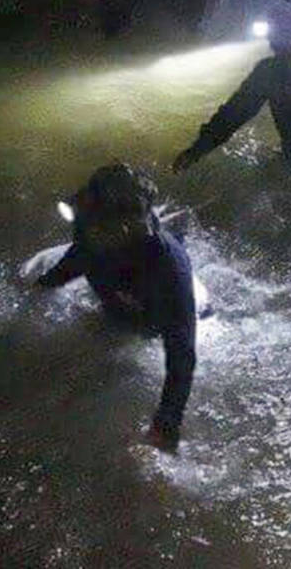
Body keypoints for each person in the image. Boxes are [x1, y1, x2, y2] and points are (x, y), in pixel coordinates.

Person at [35, 163, 196, 453]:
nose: (87, 226)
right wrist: (44, 286)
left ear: (125, 225)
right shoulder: (90, 227)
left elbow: (182, 354)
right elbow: (77, 258)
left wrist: (165, 425)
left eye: (97, 222)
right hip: (116, 299)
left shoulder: (168, 267)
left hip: (150, 319)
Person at [172, 13, 291, 172]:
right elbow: (235, 113)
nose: (274, 41)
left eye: (281, 35)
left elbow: (235, 112)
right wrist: (197, 150)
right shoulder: (269, 72)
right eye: (274, 35)